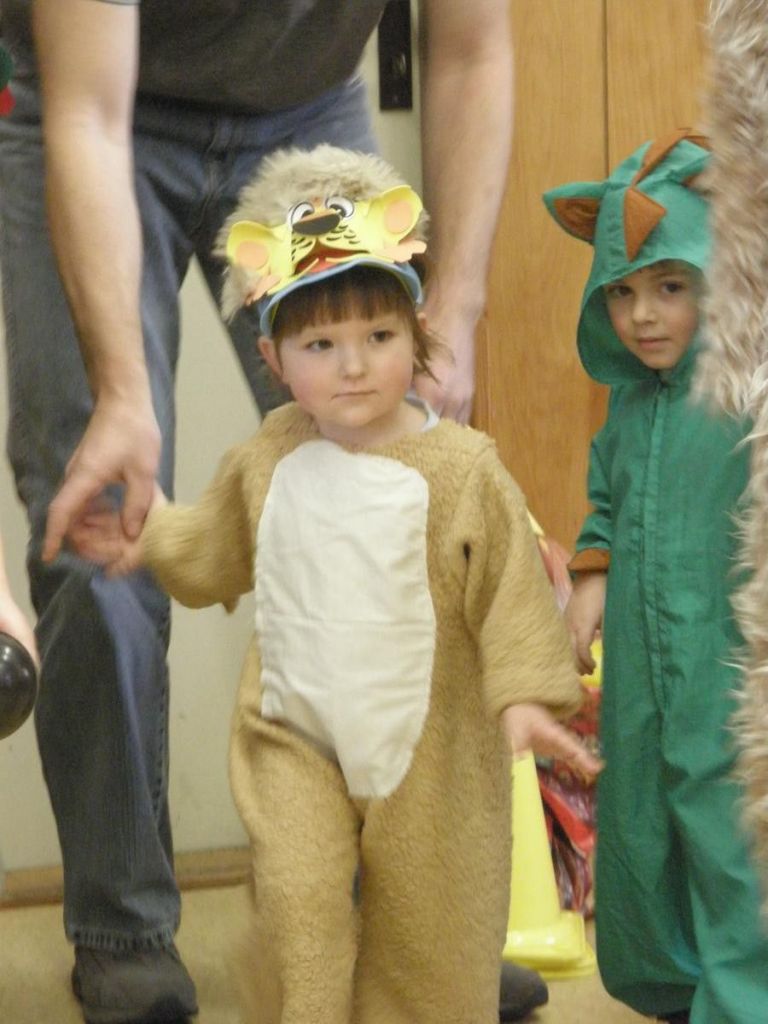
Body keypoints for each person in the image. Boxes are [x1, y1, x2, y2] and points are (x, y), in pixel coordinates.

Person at [0, 3, 523, 1021]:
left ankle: (421, 927)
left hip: (306, 109)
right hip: (97, 109)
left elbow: (473, 48)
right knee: (101, 522)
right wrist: (120, 393)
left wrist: (453, 309)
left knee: (398, 507)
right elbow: (89, 115)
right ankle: (123, 929)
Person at [72, 143, 600, 1024]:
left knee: (434, 943)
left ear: (417, 336)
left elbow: (509, 590)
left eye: (379, 338)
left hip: (430, 751)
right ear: (274, 358)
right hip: (293, 734)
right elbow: (212, 547)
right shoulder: (268, 456)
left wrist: (522, 697)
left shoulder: (462, 469)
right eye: (321, 344)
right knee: (302, 907)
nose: (353, 366)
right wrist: (148, 533)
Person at [545, 129, 768, 1024]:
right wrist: (591, 576)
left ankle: (743, 998)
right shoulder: (631, 404)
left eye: (672, 286)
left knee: (726, 831)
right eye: (623, 291)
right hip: (642, 666)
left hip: (725, 661)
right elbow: (608, 498)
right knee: (642, 822)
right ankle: (673, 985)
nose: (642, 315)